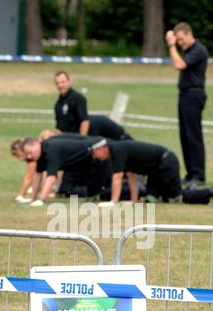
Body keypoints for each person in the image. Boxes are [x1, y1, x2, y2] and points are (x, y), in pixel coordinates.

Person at [90, 139, 213, 205]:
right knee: (150, 199)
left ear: (102, 148)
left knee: (176, 197)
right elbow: (131, 176)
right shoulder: (118, 150)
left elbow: (117, 177)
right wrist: (134, 201)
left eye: (94, 153)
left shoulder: (117, 149)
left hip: (166, 162)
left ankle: (209, 192)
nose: (95, 157)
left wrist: (113, 202)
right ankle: (199, 194)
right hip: (155, 170)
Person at [165, 22, 208, 189]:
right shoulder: (189, 51)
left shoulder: (199, 49)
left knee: (193, 136)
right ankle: (190, 174)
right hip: (184, 95)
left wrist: (171, 45)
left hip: (194, 95)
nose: (180, 43)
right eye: (178, 41)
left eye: (181, 39)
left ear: (189, 33)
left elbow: (179, 65)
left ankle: (198, 175)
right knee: (185, 136)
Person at [21, 135, 110, 206]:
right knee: (71, 191)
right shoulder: (41, 154)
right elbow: (38, 175)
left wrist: (41, 200)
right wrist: (32, 199)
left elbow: (51, 178)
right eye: (27, 154)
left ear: (36, 144)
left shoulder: (50, 150)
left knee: (103, 192)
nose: (29, 157)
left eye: (30, 152)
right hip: (82, 166)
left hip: (99, 157)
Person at [54, 70, 132, 140]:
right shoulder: (58, 104)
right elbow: (59, 128)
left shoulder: (77, 98)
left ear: (69, 82)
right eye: (57, 83)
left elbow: (84, 121)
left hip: (98, 131)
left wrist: (81, 141)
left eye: (62, 82)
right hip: (70, 138)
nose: (60, 85)